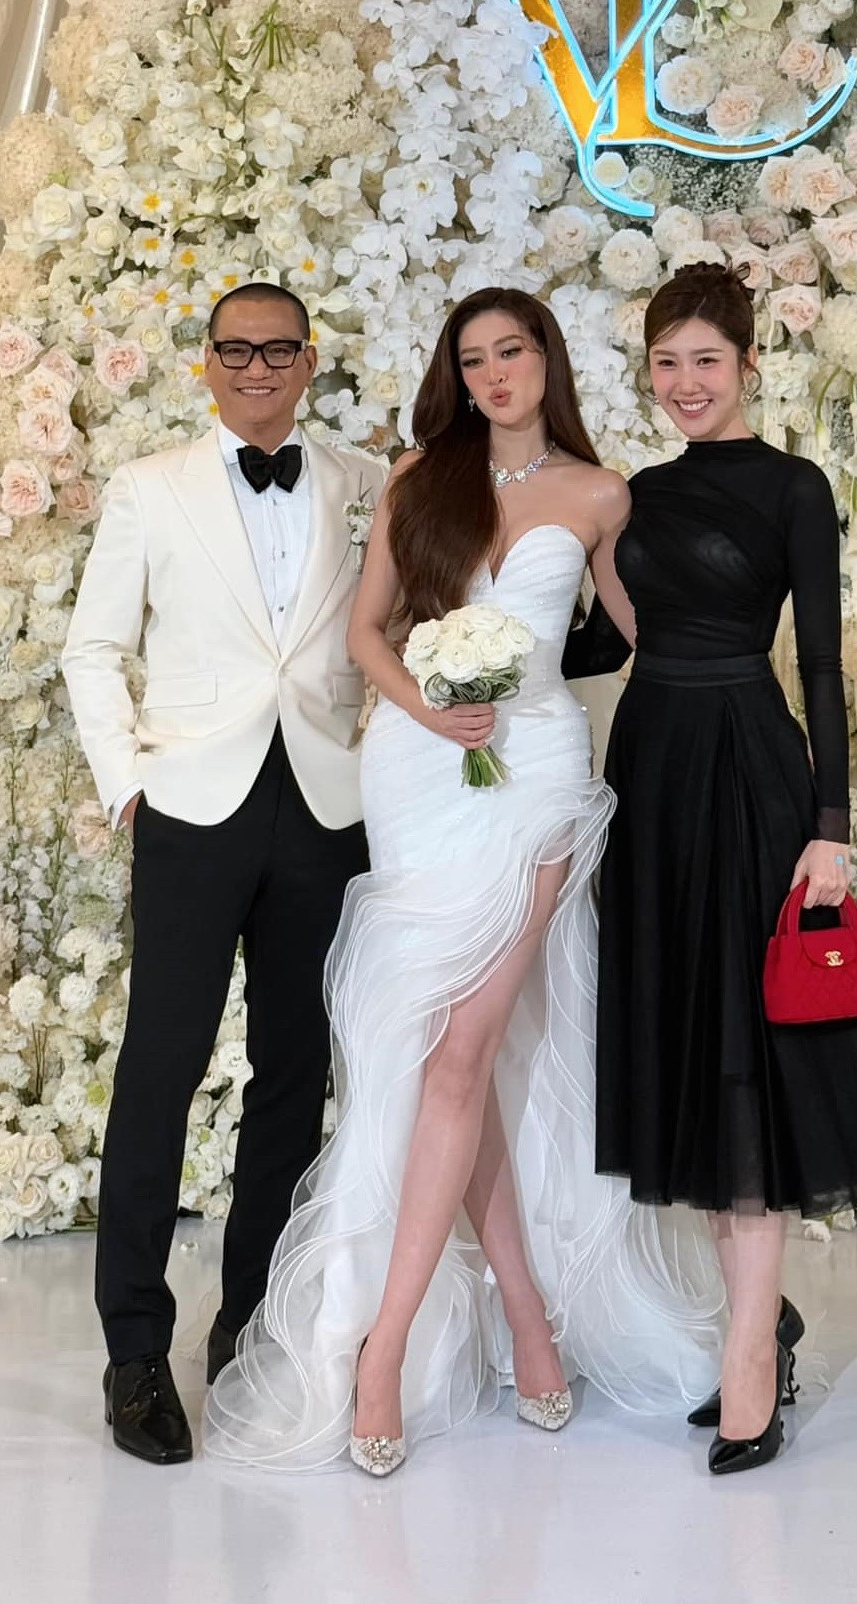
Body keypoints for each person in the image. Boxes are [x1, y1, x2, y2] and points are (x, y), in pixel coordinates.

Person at [204, 287, 722, 1476]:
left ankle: (383, 1348)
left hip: (535, 776)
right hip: (416, 770)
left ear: (547, 359)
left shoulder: (598, 496)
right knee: (453, 1055)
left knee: (457, 1050)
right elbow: (366, 634)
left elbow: (657, 634)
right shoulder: (417, 477)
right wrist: (430, 713)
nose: (494, 374)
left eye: (512, 351)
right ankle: (523, 1314)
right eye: (473, 357)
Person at [566, 263, 857, 1475]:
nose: (684, 382)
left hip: (751, 770)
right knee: (690, 1045)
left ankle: (750, 1352)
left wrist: (830, 821)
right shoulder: (633, 494)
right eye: (665, 362)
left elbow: (818, 664)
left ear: (749, 364)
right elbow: (599, 641)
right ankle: (761, 1321)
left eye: (704, 359)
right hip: (650, 774)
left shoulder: (793, 486)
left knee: (748, 1051)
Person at [62, 283, 386, 1465]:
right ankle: (134, 1349)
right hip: (191, 808)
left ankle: (248, 1323)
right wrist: (127, 783)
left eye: (278, 349)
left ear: (308, 361)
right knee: (161, 1066)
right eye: (235, 350)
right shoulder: (149, 487)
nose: (256, 367)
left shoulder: (364, 480)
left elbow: (388, 632)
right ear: (204, 362)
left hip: (324, 807)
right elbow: (94, 646)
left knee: (294, 1074)